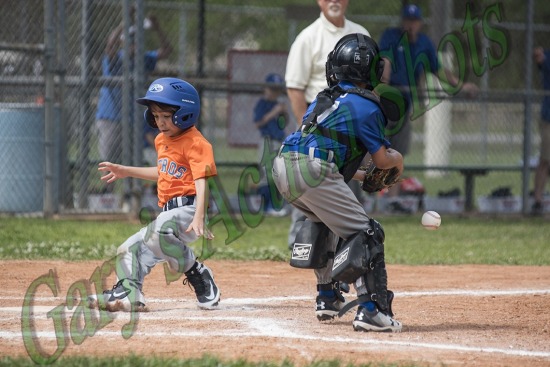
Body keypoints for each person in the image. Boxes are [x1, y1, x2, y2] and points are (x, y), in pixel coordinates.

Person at [273, 33, 403, 332]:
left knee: (323, 222)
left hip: (283, 166)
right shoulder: (368, 106)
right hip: (314, 170)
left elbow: (320, 154)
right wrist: (398, 162)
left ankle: (328, 296)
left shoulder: (323, 100)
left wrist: (359, 175)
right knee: (366, 233)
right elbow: (383, 161)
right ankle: (372, 310)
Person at [89, 77, 220, 311]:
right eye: (156, 116)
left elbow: (201, 181)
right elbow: (163, 172)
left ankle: (197, 272)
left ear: (186, 112)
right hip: (168, 214)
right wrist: (125, 171)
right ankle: (130, 293)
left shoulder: (197, 143)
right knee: (128, 248)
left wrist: (199, 215)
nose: (160, 122)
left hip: (190, 209)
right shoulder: (162, 140)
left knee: (160, 229)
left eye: (167, 116)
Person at [285, 0, 370, 248]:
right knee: (308, 181)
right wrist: (308, 129)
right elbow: (295, 89)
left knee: (347, 184)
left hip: (350, 122)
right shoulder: (308, 37)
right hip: (317, 121)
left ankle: (346, 246)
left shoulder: (360, 34)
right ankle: (299, 244)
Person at [378, 4, 478, 213]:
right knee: (371, 148)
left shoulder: (424, 43)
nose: (410, 25)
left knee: (397, 152)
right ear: (402, 21)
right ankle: (363, 198)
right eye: (407, 20)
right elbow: (384, 60)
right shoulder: (391, 36)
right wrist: (381, 85)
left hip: (404, 105)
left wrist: (460, 86)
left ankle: (393, 200)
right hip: (384, 100)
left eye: (414, 21)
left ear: (420, 23)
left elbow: (439, 70)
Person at [95, 12, 173, 166]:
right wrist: (124, 22)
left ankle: (131, 189)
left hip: (132, 119)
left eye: (137, 41)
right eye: (131, 41)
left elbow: (166, 51)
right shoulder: (116, 58)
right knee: (109, 161)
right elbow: (109, 46)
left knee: (132, 162)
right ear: (124, 42)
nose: (134, 44)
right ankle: (107, 189)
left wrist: (157, 28)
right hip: (111, 117)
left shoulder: (143, 59)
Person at [253, 73, 289, 216]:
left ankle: (275, 206)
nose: (274, 93)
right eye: (272, 89)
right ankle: (266, 207)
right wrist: (274, 111)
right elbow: (258, 122)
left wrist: (284, 113)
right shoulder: (263, 103)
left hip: (279, 141)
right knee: (265, 174)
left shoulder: (279, 105)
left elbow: (283, 124)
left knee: (279, 174)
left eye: (277, 90)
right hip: (267, 141)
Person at [532, 46, 550, 215]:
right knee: (545, 159)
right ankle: (537, 201)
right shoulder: (548, 57)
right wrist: (539, 53)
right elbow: (538, 54)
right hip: (548, 118)